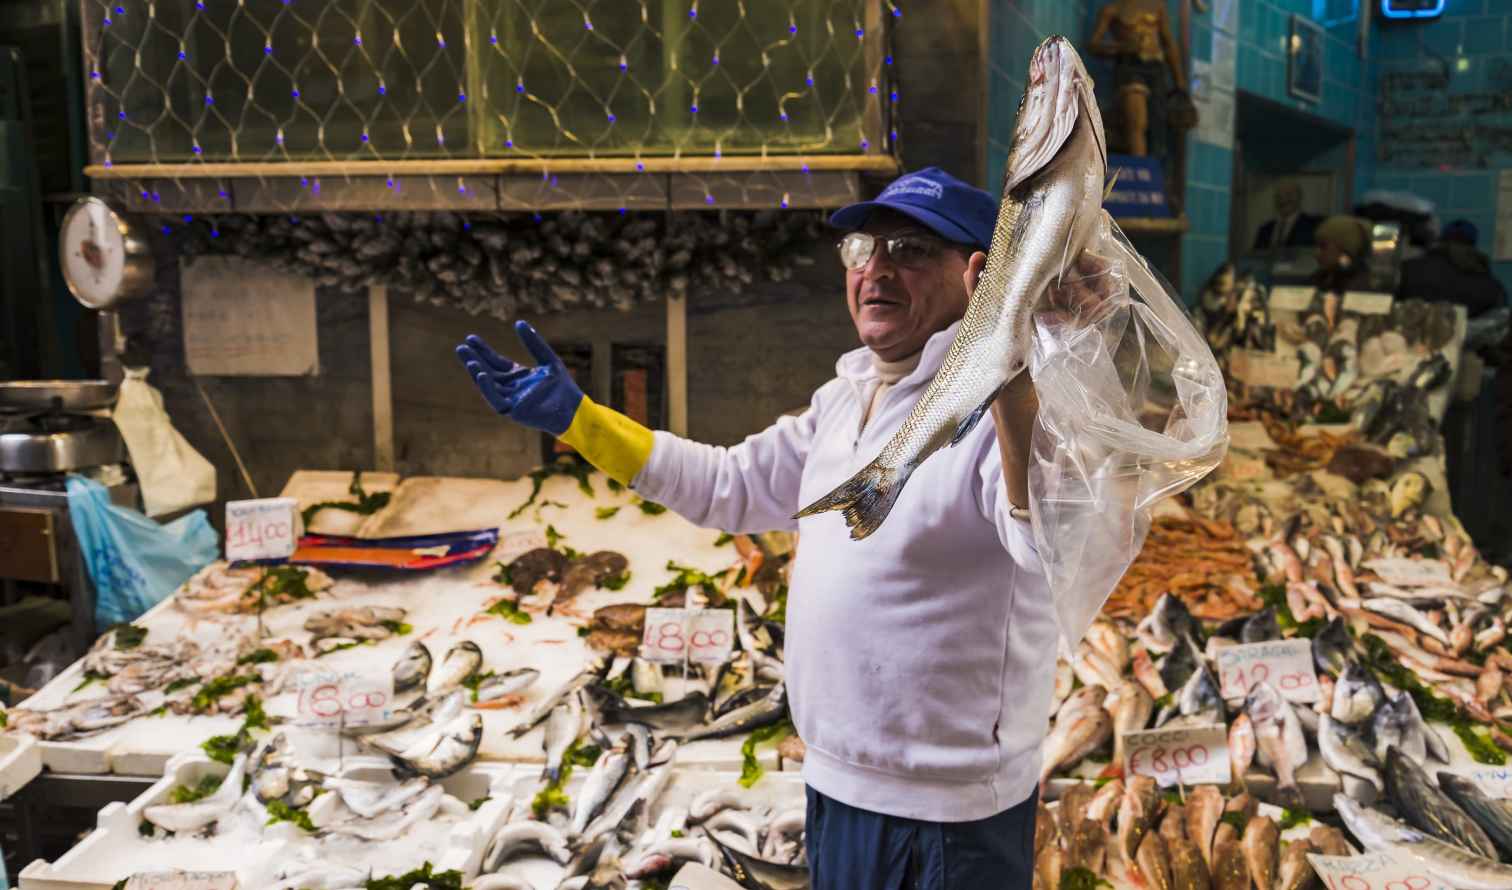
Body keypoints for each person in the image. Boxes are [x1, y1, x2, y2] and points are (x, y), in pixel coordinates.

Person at [457, 167, 1059, 889]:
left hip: (947, 812)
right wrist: (580, 421)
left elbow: (1044, 539)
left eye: (910, 250)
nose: (875, 269)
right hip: (835, 785)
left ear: (978, 278)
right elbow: (729, 487)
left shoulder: (1005, 414)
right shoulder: (845, 399)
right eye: (864, 249)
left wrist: (1013, 385)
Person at [1089, 0, 1190, 159]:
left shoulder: (1157, 6)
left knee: (1157, 123)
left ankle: (1152, 170)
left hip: (1156, 68)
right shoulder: (1112, 9)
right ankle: (1139, 168)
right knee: (1137, 121)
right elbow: (1093, 45)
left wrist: (1180, 82)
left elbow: (1169, 43)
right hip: (1130, 67)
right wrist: (1121, 48)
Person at [1397, 219, 1508, 319]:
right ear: (1473, 244)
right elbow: (1498, 326)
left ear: (1441, 240)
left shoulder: (1408, 269)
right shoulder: (1492, 286)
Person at [1253, 181, 1323, 252]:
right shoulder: (1265, 229)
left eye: (1288, 195)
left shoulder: (1314, 225)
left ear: (1300, 197)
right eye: (1278, 196)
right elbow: (1255, 256)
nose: (1283, 199)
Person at [1312, 214, 1373, 293]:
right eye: (1316, 245)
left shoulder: (1361, 287)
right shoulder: (1322, 277)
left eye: (1323, 246)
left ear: (1345, 249)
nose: (1316, 253)